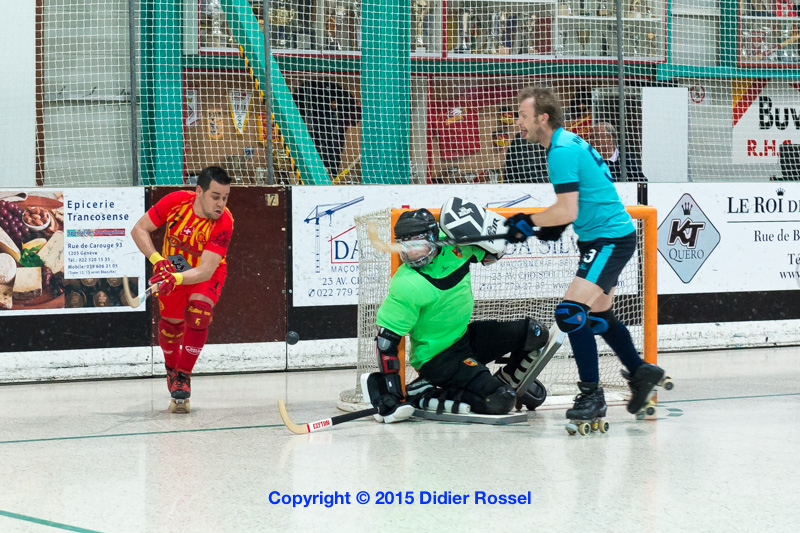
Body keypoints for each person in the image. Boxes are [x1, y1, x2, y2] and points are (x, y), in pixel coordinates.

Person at [505, 86, 668, 425]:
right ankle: (640, 372)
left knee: (570, 313)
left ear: (542, 118)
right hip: (602, 237)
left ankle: (592, 395)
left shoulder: (561, 151)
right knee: (600, 316)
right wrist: (552, 225)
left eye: (522, 115)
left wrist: (528, 221)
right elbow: (581, 200)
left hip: (608, 240)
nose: (518, 121)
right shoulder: (566, 143)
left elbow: (567, 209)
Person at [362, 204, 549, 423]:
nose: (412, 252)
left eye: (418, 243)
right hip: (438, 359)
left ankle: (505, 382)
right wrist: (394, 393)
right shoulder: (406, 283)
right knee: (500, 401)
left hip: (464, 338)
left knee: (536, 333)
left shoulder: (456, 246)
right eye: (405, 244)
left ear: (434, 238)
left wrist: (499, 234)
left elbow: (492, 255)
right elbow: (385, 342)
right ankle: (420, 393)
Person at [131, 166, 234, 413]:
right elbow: (139, 229)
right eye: (215, 197)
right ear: (199, 191)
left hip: (205, 274)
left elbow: (205, 271)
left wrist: (174, 278)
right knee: (170, 327)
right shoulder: (176, 202)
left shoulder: (225, 222)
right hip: (173, 270)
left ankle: (183, 376)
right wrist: (158, 261)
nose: (221, 204)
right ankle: (171, 369)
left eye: (225, 198)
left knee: (199, 312)